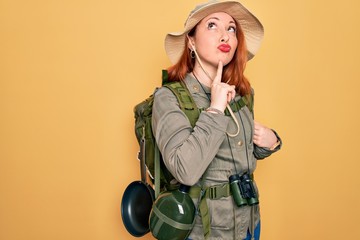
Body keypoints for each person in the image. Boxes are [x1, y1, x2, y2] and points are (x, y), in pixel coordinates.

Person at [152, 1, 282, 239]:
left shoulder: (241, 94)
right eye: (212, 26)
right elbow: (185, 170)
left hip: (248, 225)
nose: (225, 36)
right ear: (190, 41)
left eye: (231, 29)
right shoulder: (168, 98)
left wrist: (270, 142)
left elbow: (237, 154)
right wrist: (215, 109)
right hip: (204, 230)